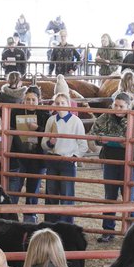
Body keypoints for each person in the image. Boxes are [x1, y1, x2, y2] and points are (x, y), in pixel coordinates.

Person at [88, 92, 134, 241]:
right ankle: (108, 231)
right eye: (115, 105)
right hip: (111, 161)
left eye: (121, 106)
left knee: (129, 198)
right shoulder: (105, 116)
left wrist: (131, 142)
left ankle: (133, 233)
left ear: (129, 106)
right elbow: (94, 133)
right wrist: (101, 140)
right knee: (110, 197)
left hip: (130, 162)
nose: (117, 108)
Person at [41, 92, 88, 223]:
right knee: (51, 193)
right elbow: (43, 143)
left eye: (63, 103)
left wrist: (74, 157)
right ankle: (51, 223)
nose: (60, 105)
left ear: (68, 104)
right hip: (52, 159)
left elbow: (83, 144)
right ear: (54, 104)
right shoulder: (51, 120)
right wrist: (50, 143)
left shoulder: (76, 122)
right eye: (57, 103)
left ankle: (66, 224)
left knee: (67, 195)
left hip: (67, 161)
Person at [8, 86, 49, 223]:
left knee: (33, 187)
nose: (30, 102)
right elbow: (9, 130)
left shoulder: (44, 114)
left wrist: (37, 129)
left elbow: (49, 134)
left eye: (33, 99)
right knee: (15, 186)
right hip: (19, 153)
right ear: (23, 100)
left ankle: (29, 217)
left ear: (39, 100)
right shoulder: (15, 112)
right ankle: (11, 215)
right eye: (27, 99)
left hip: (37, 155)